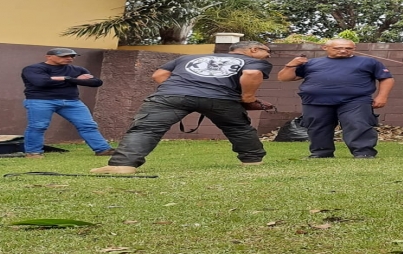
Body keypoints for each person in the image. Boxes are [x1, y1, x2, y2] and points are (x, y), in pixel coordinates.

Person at [90, 41, 273, 175]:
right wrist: (248, 98)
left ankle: (123, 165)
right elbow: (252, 74)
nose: (268, 57)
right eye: (267, 52)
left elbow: (159, 75)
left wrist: (179, 89)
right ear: (253, 49)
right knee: (238, 128)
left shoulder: (188, 57)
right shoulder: (252, 62)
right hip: (221, 98)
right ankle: (252, 161)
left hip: (170, 95)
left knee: (146, 128)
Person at [277, 38, 394, 159]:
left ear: (354, 49)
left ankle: (363, 153)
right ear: (325, 48)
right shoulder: (312, 63)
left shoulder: (368, 62)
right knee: (317, 127)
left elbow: (386, 78)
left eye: (348, 48)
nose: (343, 51)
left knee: (357, 124)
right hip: (315, 101)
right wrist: (291, 64)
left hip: (355, 100)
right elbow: (284, 78)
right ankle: (321, 153)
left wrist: (382, 97)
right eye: (338, 48)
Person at [21, 48, 115, 158]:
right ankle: (33, 153)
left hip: (72, 101)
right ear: (49, 56)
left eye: (72, 56)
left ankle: (103, 149)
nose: (69, 58)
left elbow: (96, 82)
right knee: (38, 126)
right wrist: (74, 79)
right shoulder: (33, 68)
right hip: (41, 100)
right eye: (64, 56)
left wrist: (67, 79)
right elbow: (41, 82)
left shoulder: (77, 69)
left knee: (88, 125)